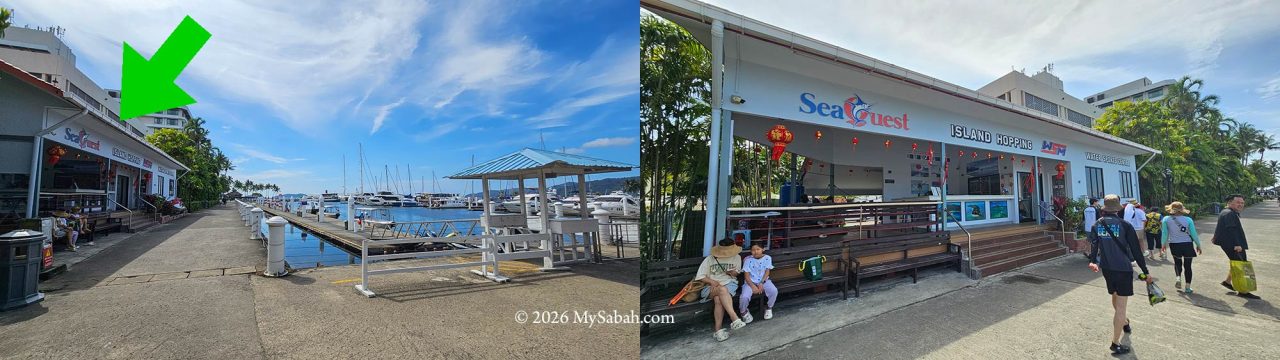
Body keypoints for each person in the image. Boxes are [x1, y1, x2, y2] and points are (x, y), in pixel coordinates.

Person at [1087, 194, 1153, 355]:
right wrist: (1146, 272)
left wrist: (1093, 261)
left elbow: (1095, 246)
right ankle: (1115, 343)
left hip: (1107, 268)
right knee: (1121, 306)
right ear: (1118, 209)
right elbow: (1137, 252)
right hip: (1123, 269)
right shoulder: (1125, 225)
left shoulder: (1097, 224)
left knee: (1115, 298)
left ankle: (1125, 321)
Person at [695, 238, 746, 341]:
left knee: (718, 299)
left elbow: (737, 273)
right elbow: (700, 276)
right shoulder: (710, 259)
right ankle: (734, 318)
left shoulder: (736, 257)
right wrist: (712, 281)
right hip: (710, 287)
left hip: (729, 283)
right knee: (722, 290)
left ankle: (718, 331)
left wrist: (732, 273)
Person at [1213, 194, 1259, 299]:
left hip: (1229, 243)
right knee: (1241, 265)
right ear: (1230, 202)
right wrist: (1237, 244)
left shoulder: (1227, 212)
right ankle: (1243, 291)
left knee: (1237, 263)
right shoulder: (1230, 214)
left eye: (1242, 203)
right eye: (1238, 202)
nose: (1241, 205)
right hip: (1233, 244)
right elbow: (1231, 230)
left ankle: (1227, 282)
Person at [1160, 202, 1200, 293]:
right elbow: (1194, 234)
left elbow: (1165, 233)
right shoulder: (1188, 220)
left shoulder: (1166, 219)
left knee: (1177, 263)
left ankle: (1178, 278)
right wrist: (1198, 245)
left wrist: (1163, 245)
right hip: (1187, 245)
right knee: (1188, 266)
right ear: (1182, 210)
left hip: (1174, 244)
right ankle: (1187, 287)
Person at [739, 242, 777, 323]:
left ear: (763, 249)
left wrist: (761, 283)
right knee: (744, 297)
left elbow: (767, 272)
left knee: (773, 291)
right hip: (750, 283)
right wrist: (753, 286)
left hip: (764, 281)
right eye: (753, 250)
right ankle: (743, 312)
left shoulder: (767, 258)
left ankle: (768, 307)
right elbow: (746, 276)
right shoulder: (748, 260)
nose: (755, 252)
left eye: (758, 249)